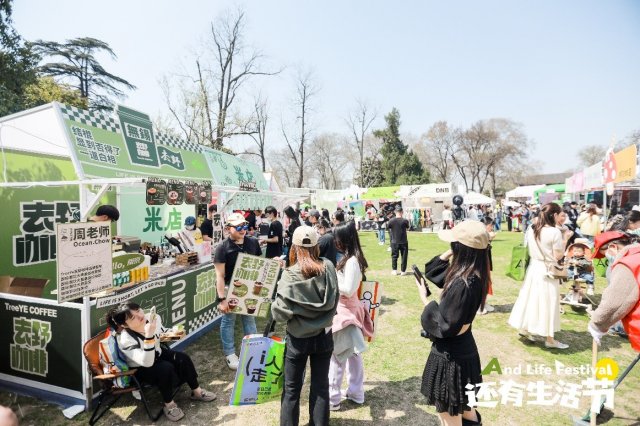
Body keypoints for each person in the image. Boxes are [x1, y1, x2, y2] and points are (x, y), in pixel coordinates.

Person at [417, 220, 491, 426]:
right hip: (465, 354)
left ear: (463, 249)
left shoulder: (463, 283)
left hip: (452, 359)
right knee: (468, 413)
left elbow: (445, 326)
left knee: (450, 419)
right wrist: (453, 249)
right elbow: (433, 270)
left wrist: (425, 299)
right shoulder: (473, 273)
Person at [271, 226, 339, 426]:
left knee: (292, 389)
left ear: (294, 247)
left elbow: (279, 314)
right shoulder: (328, 266)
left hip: (298, 339)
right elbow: (335, 300)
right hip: (324, 336)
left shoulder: (290, 275)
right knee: (320, 386)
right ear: (317, 246)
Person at [106, 302, 216, 422]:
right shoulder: (126, 339)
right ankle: (169, 405)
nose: (139, 316)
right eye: (132, 317)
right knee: (165, 368)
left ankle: (197, 392)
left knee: (182, 358)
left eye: (138, 310)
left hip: (157, 353)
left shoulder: (152, 318)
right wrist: (148, 336)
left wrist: (175, 332)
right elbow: (146, 362)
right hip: (141, 368)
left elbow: (162, 333)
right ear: (124, 325)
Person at [508, 203, 572, 349]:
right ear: (554, 215)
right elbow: (558, 255)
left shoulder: (532, 229)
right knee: (549, 302)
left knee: (530, 299)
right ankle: (550, 339)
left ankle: (525, 328)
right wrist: (565, 239)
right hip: (547, 270)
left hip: (534, 268)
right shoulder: (554, 232)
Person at [328, 221, 374, 411]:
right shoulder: (351, 258)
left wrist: (332, 276)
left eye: (337, 238)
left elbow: (347, 289)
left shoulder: (352, 260)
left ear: (343, 239)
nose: (335, 241)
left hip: (346, 312)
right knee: (352, 354)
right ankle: (355, 392)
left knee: (338, 356)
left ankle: (333, 399)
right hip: (348, 311)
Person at [214, 213, 262, 369]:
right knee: (229, 320)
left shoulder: (253, 242)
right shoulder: (222, 247)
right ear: (228, 229)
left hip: (250, 288)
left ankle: (253, 350)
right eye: (239, 227)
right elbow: (220, 276)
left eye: (245, 226)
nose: (243, 230)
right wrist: (221, 299)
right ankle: (230, 354)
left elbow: (260, 264)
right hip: (230, 289)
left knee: (249, 318)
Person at [588, 232, 640, 349]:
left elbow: (615, 302)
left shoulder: (628, 263)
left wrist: (597, 324)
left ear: (613, 247)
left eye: (604, 254)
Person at [387, 205, 410, 276]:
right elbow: (407, 227)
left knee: (394, 256)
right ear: (402, 212)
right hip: (403, 241)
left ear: (395, 212)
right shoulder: (405, 220)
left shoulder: (391, 221)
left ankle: (394, 270)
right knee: (404, 256)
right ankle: (403, 271)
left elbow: (388, 227)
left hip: (394, 241)